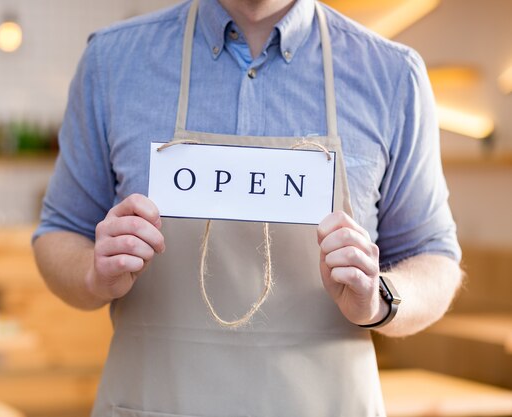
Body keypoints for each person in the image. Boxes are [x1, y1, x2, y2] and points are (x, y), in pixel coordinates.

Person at [33, 0, 462, 415]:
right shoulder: (112, 62)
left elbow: (436, 260)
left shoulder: (392, 75)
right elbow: (58, 232)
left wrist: (378, 299)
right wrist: (93, 274)